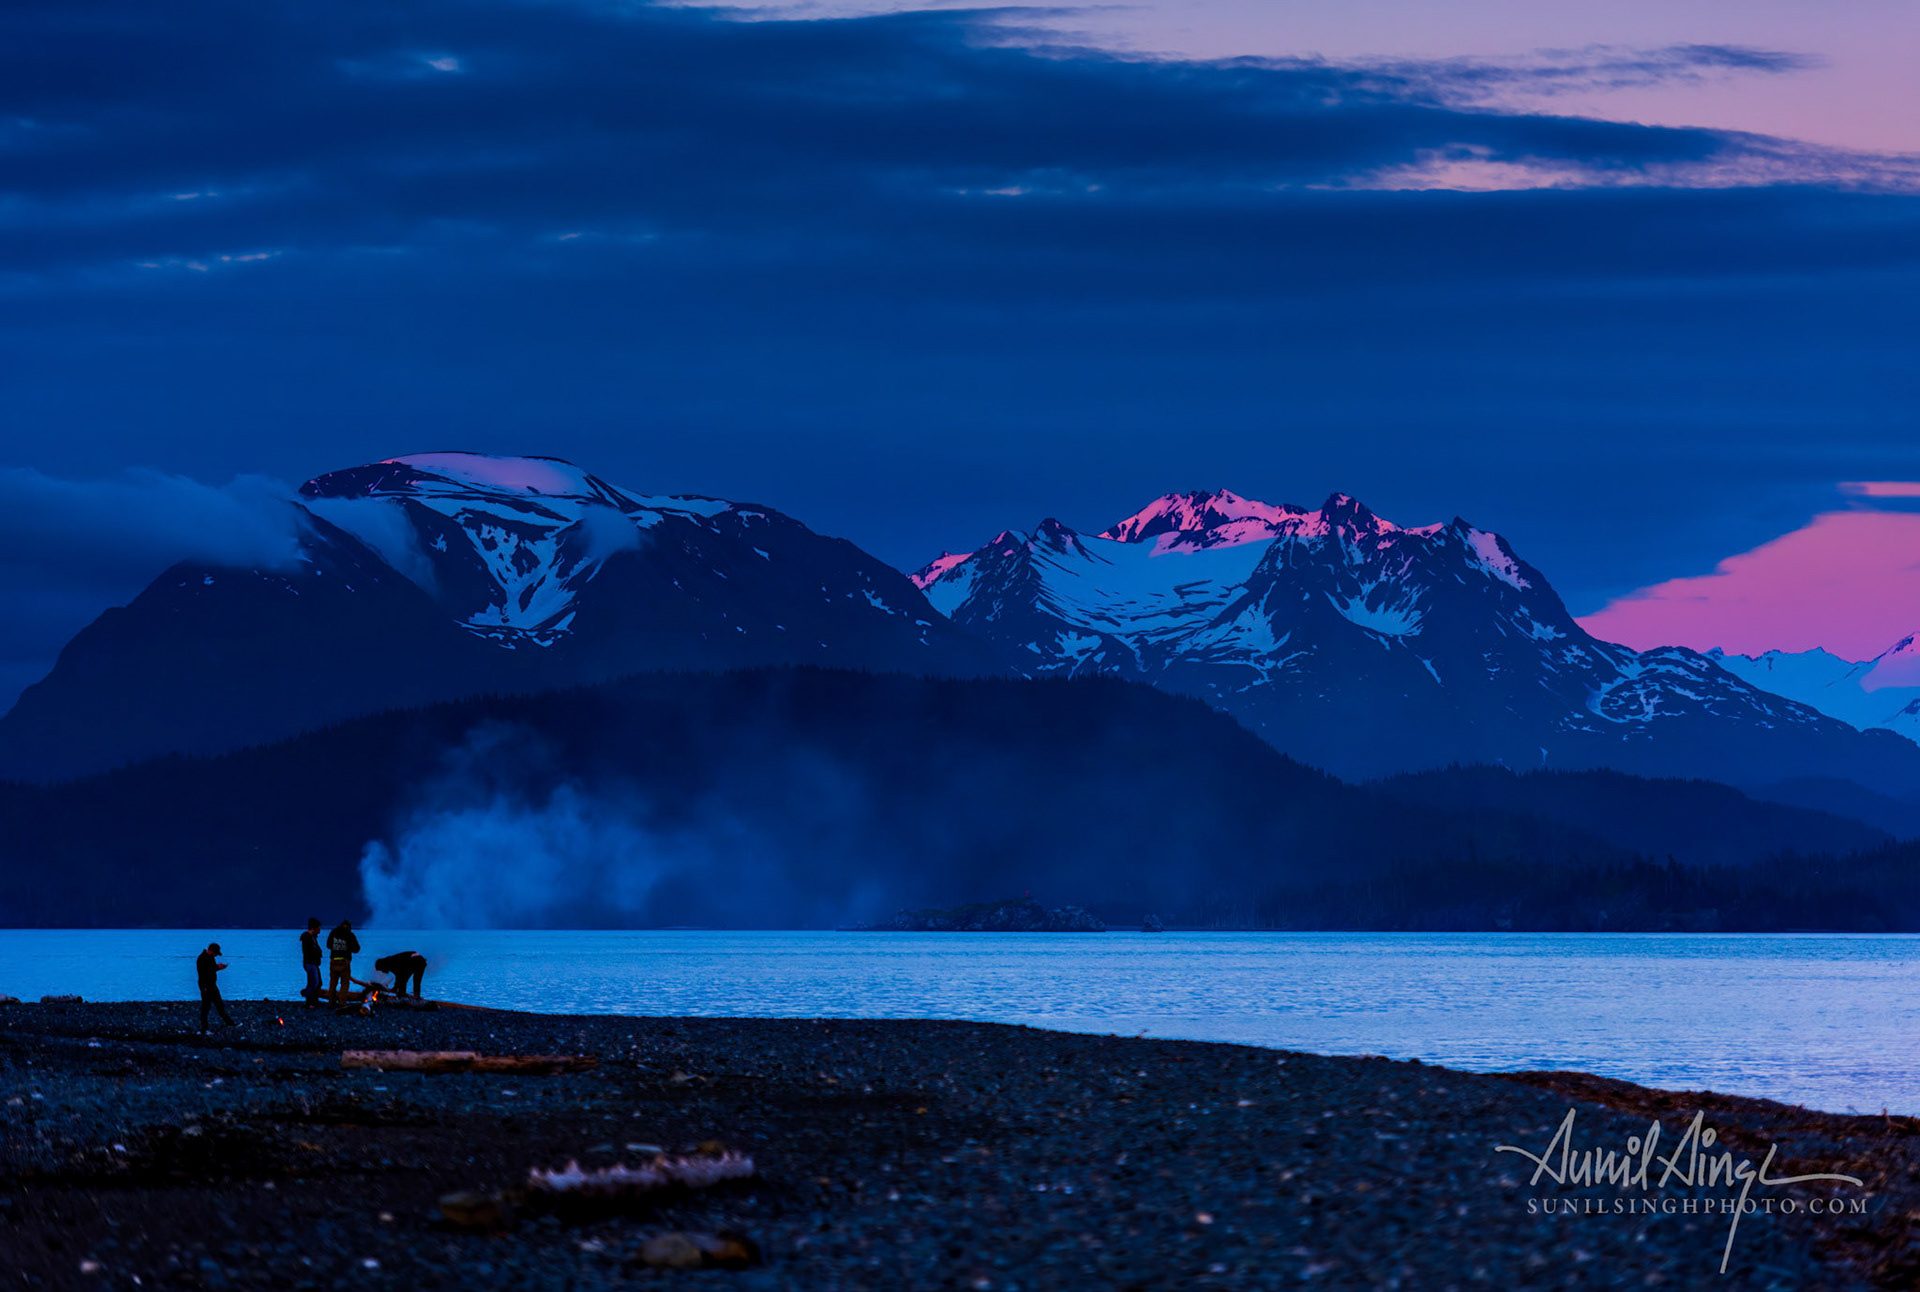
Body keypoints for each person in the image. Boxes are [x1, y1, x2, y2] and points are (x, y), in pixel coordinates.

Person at [196, 942, 235, 1031]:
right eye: (215, 953)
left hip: (212, 985)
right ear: (211, 951)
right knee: (206, 1007)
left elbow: (211, 969)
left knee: (219, 1005)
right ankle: (204, 1029)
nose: (216, 955)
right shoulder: (202, 958)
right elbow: (204, 972)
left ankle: (230, 1023)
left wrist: (218, 967)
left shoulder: (210, 957)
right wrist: (218, 968)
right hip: (205, 986)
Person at [327, 919, 360, 1003]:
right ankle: (342, 1002)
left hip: (334, 960)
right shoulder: (350, 935)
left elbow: (328, 945)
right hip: (344, 961)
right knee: (344, 983)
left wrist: (336, 947)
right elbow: (356, 949)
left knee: (333, 982)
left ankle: (331, 1002)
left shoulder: (333, 933)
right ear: (349, 927)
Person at [299, 918, 324, 1009]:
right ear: (314, 928)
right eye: (319, 928)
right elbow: (308, 951)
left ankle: (313, 1000)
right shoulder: (307, 938)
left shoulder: (312, 938)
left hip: (313, 963)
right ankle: (309, 1002)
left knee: (315, 982)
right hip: (310, 963)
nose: (320, 930)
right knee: (314, 982)